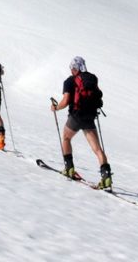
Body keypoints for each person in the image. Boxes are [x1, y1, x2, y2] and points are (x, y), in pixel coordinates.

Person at [50, 56, 113, 191]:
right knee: (97, 149)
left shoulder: (70, 81)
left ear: (74, 68)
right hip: (90, 116)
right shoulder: (91, 78)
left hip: (76, 116)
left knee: (66, 137)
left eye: (72, 68)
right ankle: (106, 177)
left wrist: (56, 108)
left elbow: (66, 101)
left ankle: (69, 169)